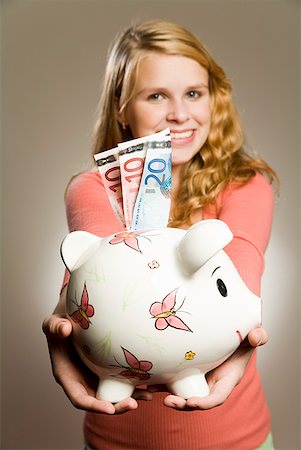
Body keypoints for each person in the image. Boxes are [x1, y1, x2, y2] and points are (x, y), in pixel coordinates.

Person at [43, 19, 278, 450]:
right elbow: (95, 282)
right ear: (121, 108)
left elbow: (241, 278)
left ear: (213, 99)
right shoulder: (93, 189)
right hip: (118, 436)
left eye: (194, 93)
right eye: (156, 96)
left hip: (236, 438)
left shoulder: (246, 184)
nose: (180, 114)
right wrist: (63, 326)